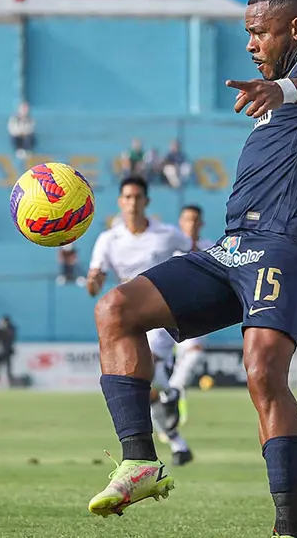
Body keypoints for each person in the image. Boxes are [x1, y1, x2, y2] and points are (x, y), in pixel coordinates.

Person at [87, 0, 297, 538]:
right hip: (230, 247)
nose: (249, 44)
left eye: (258, 32)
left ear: (295, 28)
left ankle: (288, 528)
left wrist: (290, 92)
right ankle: (139, 462)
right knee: (115, 311)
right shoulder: (287, 82)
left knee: (262, 371)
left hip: (287, 245)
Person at [87, 177, 198, 469]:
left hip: (161, 315)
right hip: (128, 316)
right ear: (120, 202)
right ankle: (176, 436)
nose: (133, 202)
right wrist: (94, 280)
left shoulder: (167, 233)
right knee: (146, 386)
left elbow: (194, 251)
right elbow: (93, 282)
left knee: (140, 375)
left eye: (138, 197)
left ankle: (165, 404)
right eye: (127, 197)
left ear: (146, 201)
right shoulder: (108, 239)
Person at [168, 205, 215, 426]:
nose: (192, 224)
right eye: (187, 219)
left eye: (195, 220)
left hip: (195, 312)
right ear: (180, 222)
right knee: (152, 368)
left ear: (201, 223)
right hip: (164, 313)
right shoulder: (170, 248)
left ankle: (175, 391)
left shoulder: (210, 249)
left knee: (195, 354)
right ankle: (162, 416)